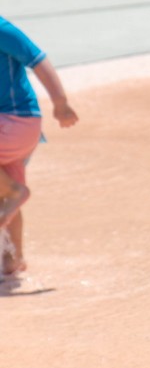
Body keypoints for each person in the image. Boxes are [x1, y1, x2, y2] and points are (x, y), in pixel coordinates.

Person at [0, 16, 78, 275]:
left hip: (16, 120)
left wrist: (60, 102)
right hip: (12, 128)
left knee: (10, 191)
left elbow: (38, 59)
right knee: (5, 196)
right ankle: (13, 260)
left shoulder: (1, 28)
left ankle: (14, 192)